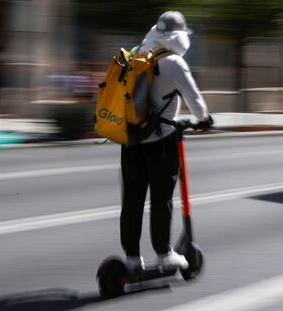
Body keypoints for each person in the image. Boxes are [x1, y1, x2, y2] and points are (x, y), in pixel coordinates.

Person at [121, 11, 213, 272]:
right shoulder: (173, 62)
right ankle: (164, 254)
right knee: (161, 199)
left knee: (132, 199)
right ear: (179, 36)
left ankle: (130, 258)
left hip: (130, 138)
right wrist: (203, 119)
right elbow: (194, 99)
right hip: (160, 140)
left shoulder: (138, 52)